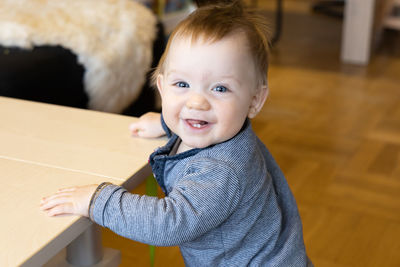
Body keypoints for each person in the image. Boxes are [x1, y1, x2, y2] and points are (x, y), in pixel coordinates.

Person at [40, 1, 312, 266]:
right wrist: (167, 123)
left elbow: (169, 223)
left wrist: (98, 201)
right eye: (182, 84)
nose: (196, 103)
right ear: (162, 88)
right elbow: (204, 118)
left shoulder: (221, 171)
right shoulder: (227, 130)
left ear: (254, 100)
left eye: (220, 89)